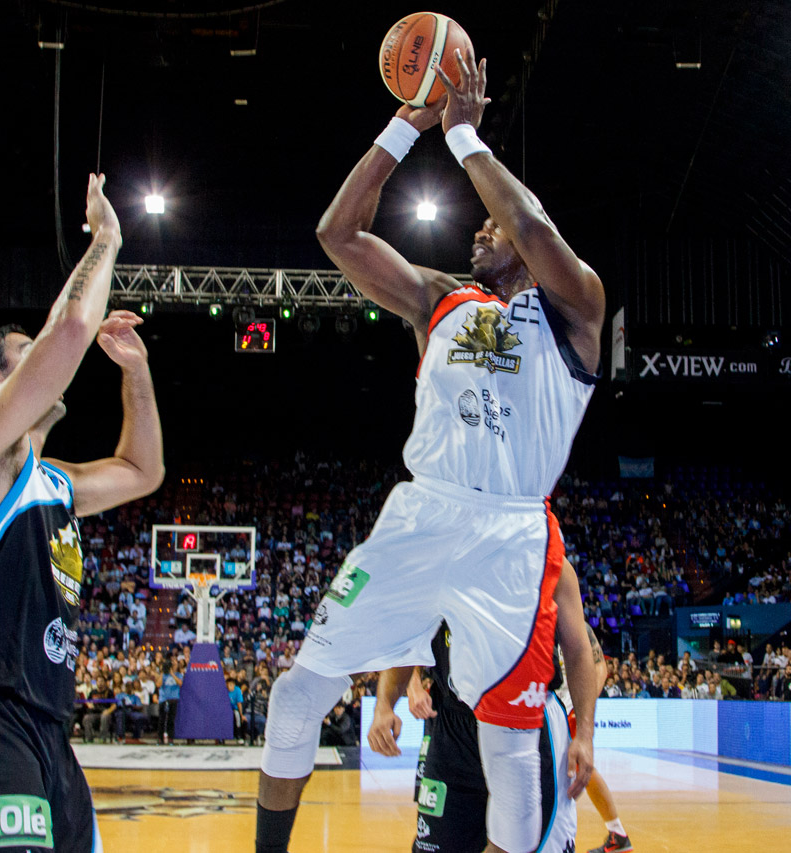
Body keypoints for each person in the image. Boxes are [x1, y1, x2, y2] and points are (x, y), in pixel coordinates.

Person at [259, 47, 603, 853]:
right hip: (424, 509)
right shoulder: (439, 299)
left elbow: (529, 224)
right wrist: (404, 126)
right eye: (480, 222)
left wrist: (466, 138)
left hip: (514, 533)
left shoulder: (578, 309)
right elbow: (337, 232)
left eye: (496, 223)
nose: (483, 226)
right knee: (297, 690)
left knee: (511, 748)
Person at [0, 174, 165, 853]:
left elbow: (143, 471)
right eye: (27, 357)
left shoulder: (53, 481)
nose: (50, 368)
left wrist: (134, 371)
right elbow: (73, 327)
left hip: (44, 722)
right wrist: (107, 237)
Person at [368, 559, 605, 853]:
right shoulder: (435, 558)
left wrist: (584, 734)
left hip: (526, 720)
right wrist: (384, 705)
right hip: (453, 729)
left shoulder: (547, 558)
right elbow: (406, 640)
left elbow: (581, 649)